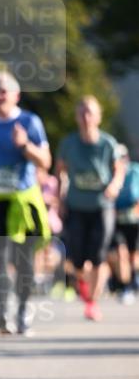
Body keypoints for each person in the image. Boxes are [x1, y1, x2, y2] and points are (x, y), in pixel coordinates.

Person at [0, 71, 51, 335]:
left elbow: (45, 162)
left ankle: (23, 310)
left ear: (17, 94)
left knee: (24, 259)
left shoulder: (30, 121)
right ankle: (3, 309)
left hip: (23, 199)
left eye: (4, 91)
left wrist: (25, 146)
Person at [55, 96, 125, 321]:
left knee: (97, 255)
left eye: (90, 113)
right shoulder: (68, 144)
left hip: (101, 206)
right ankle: (85, 289)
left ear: (98, 116)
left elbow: (119, 170)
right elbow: (61, 171)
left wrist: (114, 185)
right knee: (76, 258)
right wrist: (60, 195)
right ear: (77, 117)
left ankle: (92, 302)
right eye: (82, 113)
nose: (86, 118)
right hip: (76, 206)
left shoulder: (107, 143)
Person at [108, 144, 138, 305]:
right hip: (117, 221)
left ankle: (133, 282)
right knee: (121, 253)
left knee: (133, 256)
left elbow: (135, 194)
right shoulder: (110, 174)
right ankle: (125, 287)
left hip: (134, 221)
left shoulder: (135, 171)